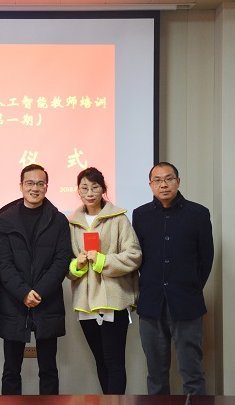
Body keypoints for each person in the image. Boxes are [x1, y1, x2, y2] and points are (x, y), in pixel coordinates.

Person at [132, 161, 214, 395]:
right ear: (150, 185)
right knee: (156, 375)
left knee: (192, 373)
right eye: (157, 180)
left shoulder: (198, 214)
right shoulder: (140, 215)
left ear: (178, 181)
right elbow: (137, 257)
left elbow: (206, 258)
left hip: (187, 303)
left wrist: (191, 287)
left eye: (169, 179)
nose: (164, 184)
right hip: (151, 304)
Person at [0, 164, 72, 395]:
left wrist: (39, 292)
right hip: (14, 302)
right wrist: (23, 292)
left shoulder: (58, 220)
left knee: (48, 369)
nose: (34, 188)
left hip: (47, 301)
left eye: (40, 183)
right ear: (21, 186)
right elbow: (2, 262)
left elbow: (61, 260)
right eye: (29, 183)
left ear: (46, 187)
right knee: (11, 370)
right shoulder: (5, 220)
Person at [67, 167, 142, 395]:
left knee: (114, 361)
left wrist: (102, 261)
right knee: (100, 360)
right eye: (84, 188)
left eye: (95, 187)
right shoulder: (71, 223)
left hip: (114, 299)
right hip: (86, 302)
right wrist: (77, 265)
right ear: (78, 191)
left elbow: (134, 256)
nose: (89, 193)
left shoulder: (119, 219)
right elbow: (65, 264)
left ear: (103, 189)